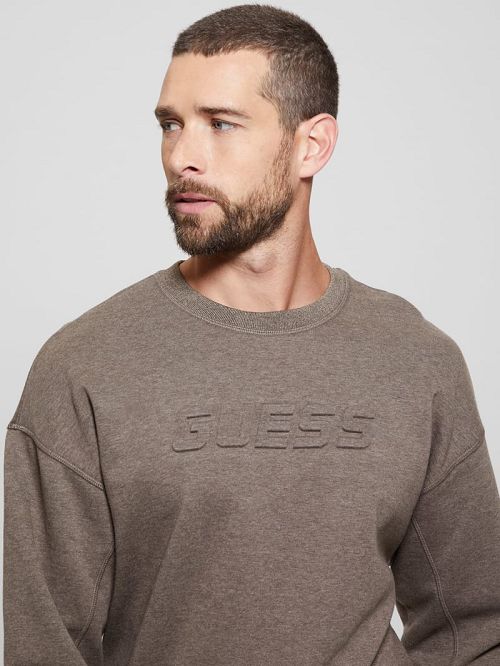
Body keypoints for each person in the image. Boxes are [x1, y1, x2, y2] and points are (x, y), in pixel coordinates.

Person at [3, 4, 500, 665]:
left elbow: (477, 624)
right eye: (171, 125)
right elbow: (44, 646)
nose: (182, 157)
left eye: (221, 123)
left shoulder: (418, 362)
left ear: (311, 145)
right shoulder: (84, 368)